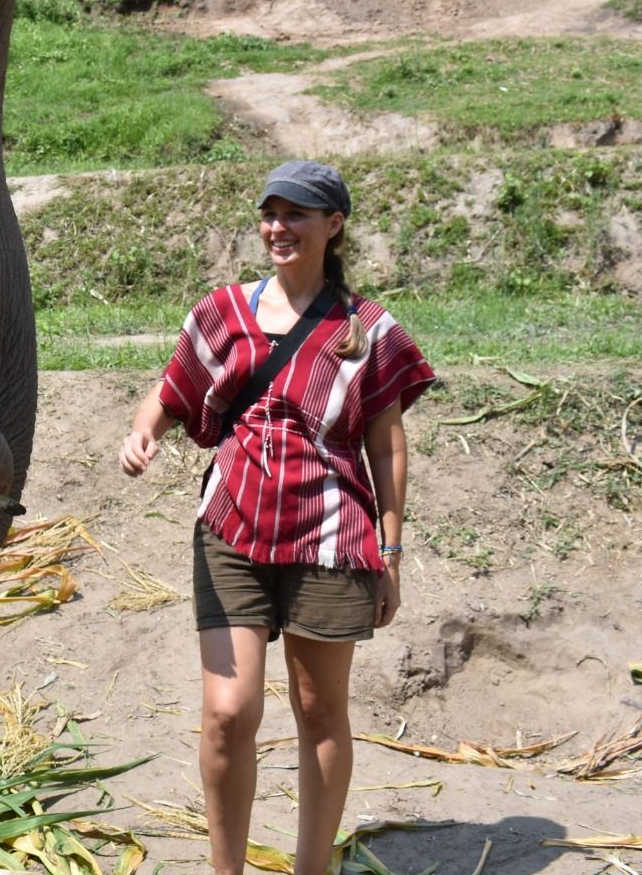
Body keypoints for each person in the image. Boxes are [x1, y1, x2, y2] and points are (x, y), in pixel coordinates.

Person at [119, 160, 435, 875]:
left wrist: (391, 552)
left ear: (334, 225)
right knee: (229, 713)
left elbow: (386, 447)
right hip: (231, 529)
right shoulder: (224, 312)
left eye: (297, 214)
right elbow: (170, 392)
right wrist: (144, 434)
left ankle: (311, 868)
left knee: (320, 712)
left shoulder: (368, 331)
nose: (278, 227)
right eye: (270, 212)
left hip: (332, 537)